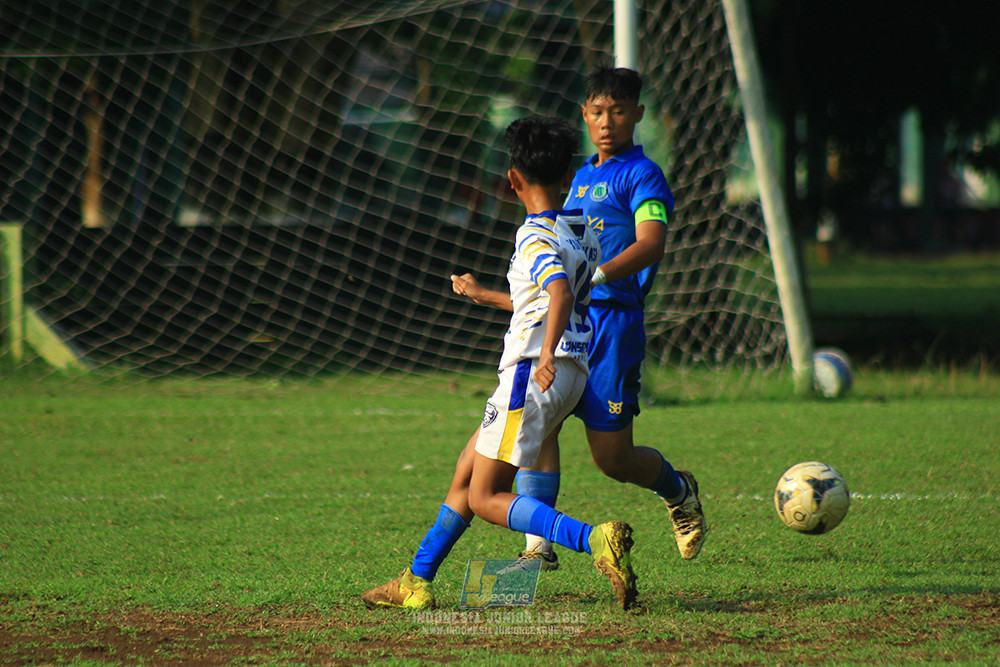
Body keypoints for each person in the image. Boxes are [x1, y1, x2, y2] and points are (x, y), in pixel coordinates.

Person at [362, 115, 638, 611]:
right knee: (466, 472)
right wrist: (486, 296)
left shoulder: (532, 237)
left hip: (533, 374)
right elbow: (551, 296)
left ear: (512, 180)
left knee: (486, 496)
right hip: (569, 376)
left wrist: (547, 350)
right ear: (568, 176)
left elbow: (555, 293)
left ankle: (595, 539)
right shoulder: (578, 231)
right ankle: (416, 579)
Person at [505, 65, 708, 569]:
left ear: (637, 114)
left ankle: (679, 490)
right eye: (597, 111)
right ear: (584, 115)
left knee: (611, 459)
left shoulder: (642, 175)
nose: (606, 121)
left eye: (617, 111)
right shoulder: (576, 180)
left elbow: (651, 243)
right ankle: (538, 547)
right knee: (540, 423)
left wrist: (598, 276)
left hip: (614, 324)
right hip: (570, 321)